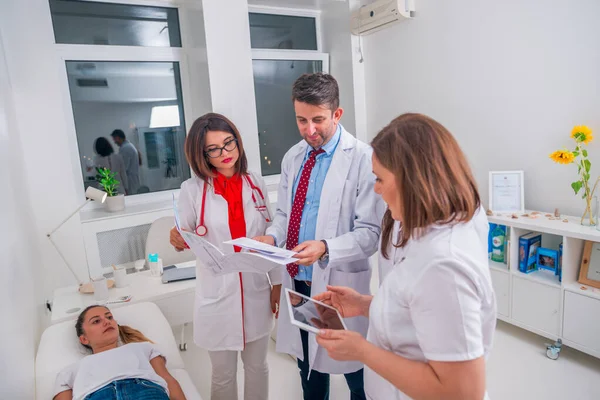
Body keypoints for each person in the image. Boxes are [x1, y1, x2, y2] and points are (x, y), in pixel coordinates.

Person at [314, 113, 497, 400]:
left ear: (413, 181)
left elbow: (462, 392)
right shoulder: (429, 231)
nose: (375, 189)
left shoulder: (444, 264)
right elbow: (421, 309)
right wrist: (364, 305)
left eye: (379, 179)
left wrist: (361, 350)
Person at [253, 73, 383, 400]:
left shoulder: (363, 159)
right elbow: (284, 215)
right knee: (308, 362)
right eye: (301, 120)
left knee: (354, 365)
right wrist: (271, 237)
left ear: (337, 114)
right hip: (299, 278)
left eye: (318, 120)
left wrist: (326, 248)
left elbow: (370, 234)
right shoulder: (293, 157)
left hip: (338, 281)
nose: (309, 130)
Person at [169, 113, 282, 400]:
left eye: (229, 143)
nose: (225, 153)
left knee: (258, 366)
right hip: (217, 296)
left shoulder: (255, 183)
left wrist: (278, 283)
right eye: (214, 149)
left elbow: (271, 236)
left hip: (256, 289)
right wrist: (177, 236)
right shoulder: (192, 191)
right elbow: (184, 233)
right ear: (201, 154)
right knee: (223, 374)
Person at [53, 305, 186, 400]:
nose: (106, 321)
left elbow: (168, 380)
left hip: (145, 390)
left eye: (109, 317)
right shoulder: (69, 371)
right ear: (84, 339)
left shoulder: (144, 348)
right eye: (96, 321)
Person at [111, 129, 140, 194]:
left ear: (118, 138)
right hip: (131, 180)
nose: (114, 142)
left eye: (114, 139)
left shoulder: (126, 148)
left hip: (129, 181)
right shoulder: (128, 146)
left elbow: (123, 168)